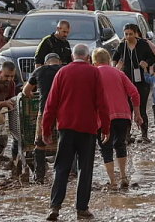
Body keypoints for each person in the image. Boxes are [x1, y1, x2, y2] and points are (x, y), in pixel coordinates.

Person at [42, 44, 110, 221]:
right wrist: (106, 128)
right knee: (84, 169)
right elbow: (102, 103)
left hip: (65, 128)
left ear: (72, 57)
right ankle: (81, 209)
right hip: (87, 129)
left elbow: (50, 104)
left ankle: (54, 207)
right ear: (88, 58)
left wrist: (46, 128)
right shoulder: (94, 73)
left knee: (61, 167)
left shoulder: (62, 73)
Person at [91, 48, 141, 190]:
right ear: (108, 60)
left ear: (94, 63)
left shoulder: (94, 75)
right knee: (120, 145)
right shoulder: (119, 73)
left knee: (105, 149)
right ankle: (124, 177)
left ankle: (112, 182)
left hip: (103, 118)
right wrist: (137, 114)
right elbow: (134, 93)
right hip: (123, 116)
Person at [22, 53, 64, 184]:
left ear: (46, 63)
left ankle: (39, 176)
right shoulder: (65, 69)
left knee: (40, 143)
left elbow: (25, 91)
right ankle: (70, 172)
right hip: (64, 110)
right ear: (59, 61)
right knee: (67, 140)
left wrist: (31, 95)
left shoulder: (39, 70)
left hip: (45, 110)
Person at [112, 24, 155, 143]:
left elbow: (153, 58)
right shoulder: (122, 46)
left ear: (136, 33)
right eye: (126, 34)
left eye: (131, 34)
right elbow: (114, 57)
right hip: (126, 81)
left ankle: (144, 134)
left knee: (142, 107)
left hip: (142, 81)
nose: (128, 36)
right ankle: (127, 135)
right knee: (127, 108)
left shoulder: (142, 44)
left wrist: (146, 63)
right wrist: (115, 67)